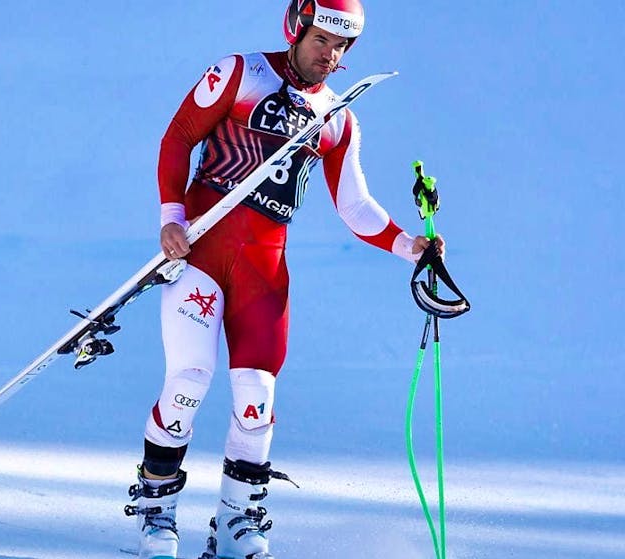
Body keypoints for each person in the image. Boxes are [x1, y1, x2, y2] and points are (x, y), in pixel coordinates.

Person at [124, 1, 444, 558]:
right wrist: (171, 217)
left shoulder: (339, 116)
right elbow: (178, 138)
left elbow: (355, 205)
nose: (331, 55)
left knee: (257, 397)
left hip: (264, 271)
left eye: (343, 47)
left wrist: (407, 244)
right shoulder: (239, 73)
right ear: (296, 28)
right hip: (201, 254)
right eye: (323, 40)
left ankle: (236, 522)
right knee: (189, 380)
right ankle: (156, 513)